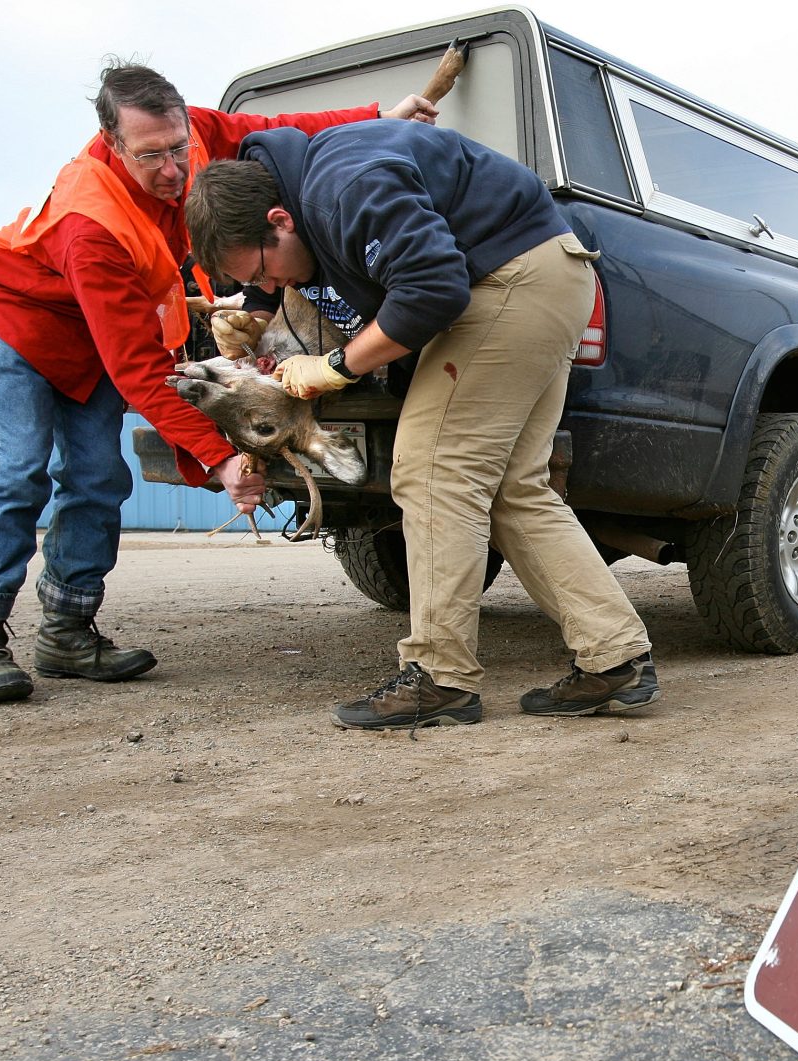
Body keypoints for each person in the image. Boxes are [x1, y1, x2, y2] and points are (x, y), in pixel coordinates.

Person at [0, 61, 438, 704]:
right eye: (151, 156)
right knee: (16, 470)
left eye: (178, 148)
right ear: (111, 143)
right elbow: (140, 371)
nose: (174, 171)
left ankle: (67, 630)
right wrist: (220, 457)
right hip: (18, 320)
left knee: (98, 476)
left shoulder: (194, 134)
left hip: (97, 329)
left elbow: (276, 126)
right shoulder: (90, 225)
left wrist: (377, 117)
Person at [185, 120, 658, 730]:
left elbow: (433, 289)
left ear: (279, 219)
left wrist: (335, 368)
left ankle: (440, 678)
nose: (273, 288)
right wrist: (256, 315)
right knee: (515, 486)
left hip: (508, 280)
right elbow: (356, 278)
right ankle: (614, 658)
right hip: (547, 275)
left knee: (433, 472)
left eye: (265, 274)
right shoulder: (308, 197)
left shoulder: (345, 185)